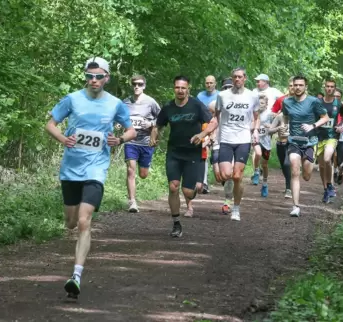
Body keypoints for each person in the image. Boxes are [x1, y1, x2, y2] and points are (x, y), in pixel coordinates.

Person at [45, 57, 137, 299]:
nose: (93, 80)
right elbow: (51, 124)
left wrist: (120, 139)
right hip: (71, 170)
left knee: (85, 221)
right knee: (71, 222)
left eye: (98, 76)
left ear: (107, 77)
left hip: (96, 169)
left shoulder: (115, 104)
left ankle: (76, 275)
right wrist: (63, 139)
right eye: (89, 76)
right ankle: (73, 242)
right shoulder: (72, 99)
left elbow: (131, 129)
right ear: (85, 77)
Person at [154, 76, 217, 237]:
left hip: (192, 153)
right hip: (174, 152)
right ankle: (176, 223)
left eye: (183, 88)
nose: (180, 91)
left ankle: (194, 190)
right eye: (177, 88)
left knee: (188, 192)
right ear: (174, 88)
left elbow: (213, 122)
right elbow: (158, 124)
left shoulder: (196, 105)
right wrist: (154, 136)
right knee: (173, 186)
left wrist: (202, 134)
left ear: (188, 89)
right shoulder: (168, 107)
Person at [215, 68, 260, 221]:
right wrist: (212, 135)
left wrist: (255, 131)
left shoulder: (252, 96)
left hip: (243, 139)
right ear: (232, 79)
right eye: (234, 77)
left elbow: (256, 117)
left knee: (236, 176)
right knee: (226, 174)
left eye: (240, 77)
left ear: (245, 78)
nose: (237, 80)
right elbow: (216, 116)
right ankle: (229, 196)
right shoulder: (222, 95)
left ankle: (236, 208)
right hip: (226, 138)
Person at [282, 75, 329, 217]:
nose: (297, 87)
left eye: (300, 85)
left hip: (310, 142)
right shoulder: (287, 102)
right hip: (293, 141)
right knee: (295, 171)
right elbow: (285, 117)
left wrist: (312, 126)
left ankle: (306, 171)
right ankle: (296, 206)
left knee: (307, 175)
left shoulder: (313, 101)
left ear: (305, 87)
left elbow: (325, 118)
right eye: (295, 85)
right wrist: (285, 127)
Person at [122, 75, 160, 213]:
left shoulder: (151, 102)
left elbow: (162, 119)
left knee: (143, 174)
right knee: (130, 170)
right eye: (134, 84)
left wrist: (150, 123)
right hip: (130, 141)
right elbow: (119, 117)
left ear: (144, 86)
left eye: (139, 84)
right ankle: (132, 201)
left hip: (146, 142)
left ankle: (146, 167)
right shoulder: (125, 102)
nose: (136, 87)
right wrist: (119, 125)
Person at [315, 80, 343, 203]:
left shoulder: (338, 104)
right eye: (327, 86)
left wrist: (342, 126)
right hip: (318, 137)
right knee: (322, 166)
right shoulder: (317, 102)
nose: (329, 89)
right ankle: (326, 189)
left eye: (332, 87)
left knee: (327, 158)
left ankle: (330, 184)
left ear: (334, 89)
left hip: (332, 136)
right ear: (324, 88)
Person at [209, 78, 235, 215]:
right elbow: (211, 118)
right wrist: (209, 135)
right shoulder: (215, 102)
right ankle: (231, 191)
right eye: (225, 87)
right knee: (219, 176)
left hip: (232, 143)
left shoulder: (240, 104)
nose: (227, 90)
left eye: (229, 87)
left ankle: (227, 202)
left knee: (228, 174)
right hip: (217, 143)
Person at [196, 75, 219, 193]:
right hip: (203, 127)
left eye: (211, 83)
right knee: (204, 154)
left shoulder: (220, 95)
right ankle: (204, 182)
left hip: (218, 128)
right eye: (207, 83)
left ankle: (223, 177)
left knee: (216, 156)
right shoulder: (200, 96)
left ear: (215, 83)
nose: (209, 85)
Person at [251, 94, 273, 197]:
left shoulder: (270, 114)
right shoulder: (253, 113)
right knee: (258, 153)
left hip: (267, 141)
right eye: (259, 103)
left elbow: (276, 125)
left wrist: (270, 126)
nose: (260, 105)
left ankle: (265, 184)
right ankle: (256, 171)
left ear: (266, 104)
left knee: (264, 165)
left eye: (262, 103)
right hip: (256, 138)